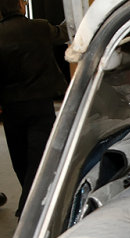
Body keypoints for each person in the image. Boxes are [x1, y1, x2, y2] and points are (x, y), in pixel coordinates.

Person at [0, 0, 68, 217]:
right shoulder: (39, 27)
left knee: (20, 160)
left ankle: (28, 203)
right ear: (21, 5)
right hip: (40, 106)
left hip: (11, 107)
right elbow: (64, 33)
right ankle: (29, 207)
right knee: (38, 159)